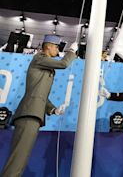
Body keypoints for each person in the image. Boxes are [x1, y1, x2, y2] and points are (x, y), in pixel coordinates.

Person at [1, 35, 78, 177]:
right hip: (28, 114)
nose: (57, 49)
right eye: (56, 46)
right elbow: (64, 64)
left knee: (21, 158)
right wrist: (71, 52)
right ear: (48, 46)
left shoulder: (45, 65)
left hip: (33, 114)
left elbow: (40, 95)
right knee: (18, 158)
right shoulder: (39, 58)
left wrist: (53, 109)